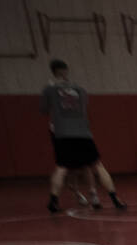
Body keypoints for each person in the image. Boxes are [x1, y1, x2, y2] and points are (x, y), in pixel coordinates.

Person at [40, 60, 124, 213]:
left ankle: (54, 200)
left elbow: (44, 109)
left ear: (53, 71)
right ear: (66, 70)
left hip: (62, 134)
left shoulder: (49, 89)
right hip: (83, 133)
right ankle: (114, 198)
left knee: (62, 167)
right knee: (97, 165)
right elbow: (84, 107)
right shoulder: (80, 89)